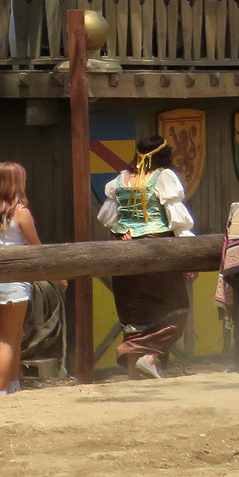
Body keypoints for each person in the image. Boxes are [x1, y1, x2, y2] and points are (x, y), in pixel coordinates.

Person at [97, 137, 197, 379]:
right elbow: (179, 220)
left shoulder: (120, 179)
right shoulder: (164, 177)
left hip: (123, 249)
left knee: (134, 316)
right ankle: (149, 358)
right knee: (177, 308)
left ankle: (135, 375)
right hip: (156, 249)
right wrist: (189, 255)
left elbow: (107, 219)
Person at [0, 162, 47, 395]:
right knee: (7, 337)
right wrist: (56, 276)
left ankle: (14, 385)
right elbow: (36, 247)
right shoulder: (21, 213)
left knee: (15, 333)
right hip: (15, 283)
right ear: (17, 182)